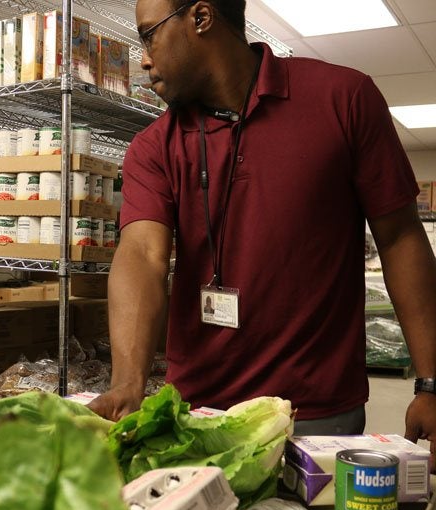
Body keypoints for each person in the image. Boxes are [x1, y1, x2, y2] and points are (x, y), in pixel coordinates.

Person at [87, 0, 436, 470]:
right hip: (197, 414)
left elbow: (400, 239)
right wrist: (128, 380)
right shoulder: (154, 148)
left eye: (149, 35)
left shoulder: (343, 98)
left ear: (202, 17)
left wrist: (431, 383)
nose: (143, 57)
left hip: (317, 415)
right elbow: (142, 254)